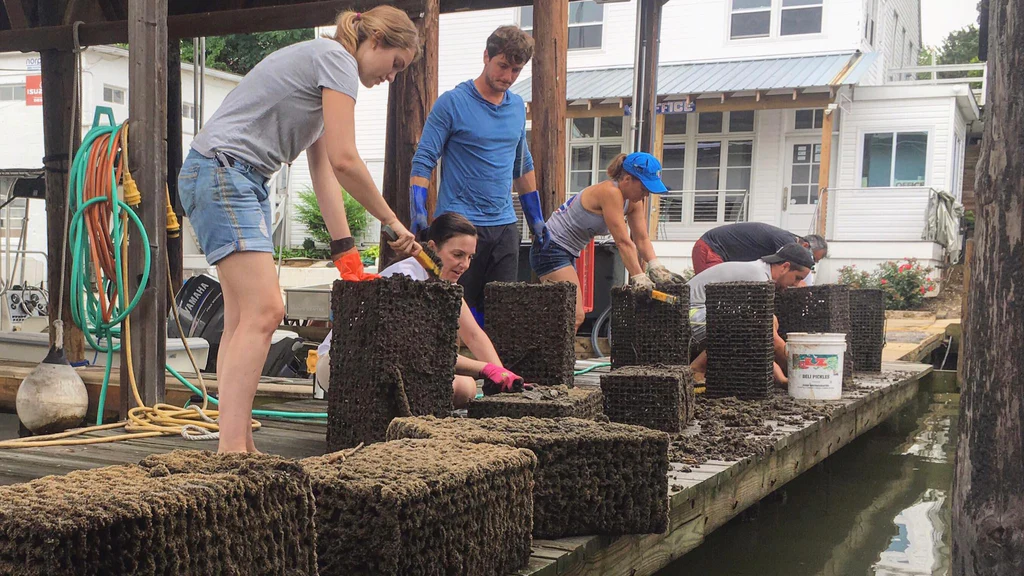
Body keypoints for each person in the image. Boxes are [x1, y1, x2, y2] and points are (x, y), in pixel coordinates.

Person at [178, 6, 422, 454]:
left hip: (228, 175)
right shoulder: (337, 61)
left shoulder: (323, 67)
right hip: (224, 173)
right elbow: (347, 160)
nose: (393, 76)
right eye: (396, 65)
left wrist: (346, 253)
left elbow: (326, 169)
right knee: (268, 310)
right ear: (377, 41)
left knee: (241, 320)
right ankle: (232, 453)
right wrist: (390, 221)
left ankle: (238, 444)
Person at [316, 213, 527, 408]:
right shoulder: (405, 278)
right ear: (433, 248)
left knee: (466, 388)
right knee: (436, 387)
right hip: (342, 364)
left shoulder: (445, 284)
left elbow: (473, 335)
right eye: (458, 255)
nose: (464, 264)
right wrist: (484, 369)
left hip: (394, 368)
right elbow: (419, 352)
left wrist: (504, 377)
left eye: (470, 257)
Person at [409, 25, 539, 325]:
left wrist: (536, 219)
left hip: (504, 225)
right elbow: (424, 159)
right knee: (454, 314)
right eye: (502, 66)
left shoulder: (517, 106)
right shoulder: (452, 103)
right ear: (486, 56)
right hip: (461, 225)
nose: (507, 77)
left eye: (516, 70)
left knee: (501, 313)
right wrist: (417, 209)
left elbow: (522, 164)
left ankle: (493, 372)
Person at [530, 152, 686, 331]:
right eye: (643, 189)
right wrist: (639, 277)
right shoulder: (609, 192)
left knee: (561, 314)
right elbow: (623, 242)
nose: (645, 195)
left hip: (567, 252)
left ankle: (549, 354)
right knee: (574, 315)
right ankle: (552, 357)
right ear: (627, 179)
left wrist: (656, 266)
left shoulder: (634, 202)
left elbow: (642, 239)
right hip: (550, 249)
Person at [687, 243, 815, 384]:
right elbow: (764, 337)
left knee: (767, 320)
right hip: (690, 316)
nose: (797, 284)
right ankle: (697, 369)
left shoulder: (759, 271)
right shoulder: (758, 277)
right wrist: (802, 373)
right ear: (785, 267)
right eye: (797, 277)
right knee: (753, 325)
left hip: (702, 314)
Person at [692, 222, 828, 283]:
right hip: (711, 248)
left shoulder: (786, 240)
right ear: (805, 245)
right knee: (714, 292)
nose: (810, 263)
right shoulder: (787, 242)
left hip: (725, 255)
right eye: (812, 258)